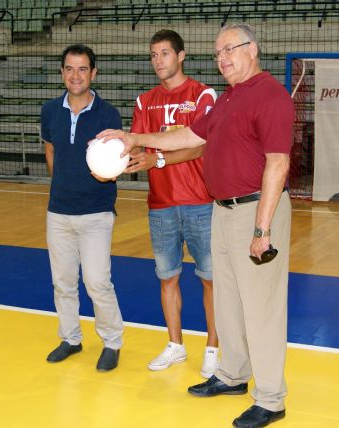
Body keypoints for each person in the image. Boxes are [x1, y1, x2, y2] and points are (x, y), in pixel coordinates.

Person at [99, 23, 293, 428]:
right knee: (228, 303)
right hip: (222, 211)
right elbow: (185, 134)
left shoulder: (270, 95)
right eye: (217, 53)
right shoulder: (228, 99)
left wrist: (262, 228)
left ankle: (271, 399)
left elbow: (278, 162)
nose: (221, 59)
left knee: (262, 308)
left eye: (229, 50)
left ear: (252, 49)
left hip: (256, 210)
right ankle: (232, 375)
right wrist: (133, 138)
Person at [125, 30, 219, 378]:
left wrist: (157, 159)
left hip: (201, 203)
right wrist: (112, 156)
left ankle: (213, 348)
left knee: (210, 280)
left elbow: (201, 145)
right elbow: (138, 148)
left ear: (181, 56)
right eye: (153, 55)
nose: (158, 61)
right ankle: (176, 345)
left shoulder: (202, 94)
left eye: (164, 53)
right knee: (167, 277)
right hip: (160, 204)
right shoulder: (143, 101)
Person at [41, 44, 124, 372]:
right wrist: (63, 184)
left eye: (83, 69)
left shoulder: (108, 114)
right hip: (58, 211)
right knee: (62, 281)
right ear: (62, 72)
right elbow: (51, 152)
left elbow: (115, 159)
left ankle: (112, 341)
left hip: (96, 212)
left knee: (97, 281)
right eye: (70, 69)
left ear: (94, 73)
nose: (76, 75)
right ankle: (70, 338)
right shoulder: (49, 110)